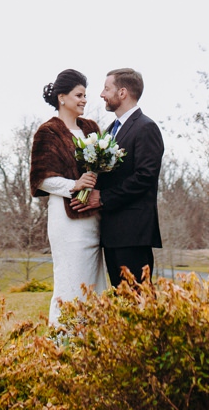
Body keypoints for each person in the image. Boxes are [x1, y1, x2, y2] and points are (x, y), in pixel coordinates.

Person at [29, 68, 105, 324]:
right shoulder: (48, 132)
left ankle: (92, 341)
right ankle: (61, 342)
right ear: (62, 97)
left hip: (94, 217)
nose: (84, 100)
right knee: (70, 281)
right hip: (66, 220)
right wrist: (74, 184)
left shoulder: (92, 128)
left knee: (95, 283)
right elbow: (41, 178)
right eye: (79, 95)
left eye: (85, 95)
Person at [75, 66, 163, 286]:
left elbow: (145, 176)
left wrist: (103, 198)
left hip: (133, 231)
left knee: (138, 300)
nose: (102, 94)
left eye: (106, 89)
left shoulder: (146, 127)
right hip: (112, 231)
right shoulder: (110, 130)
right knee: (120, 302)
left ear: (122, 93)